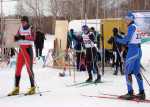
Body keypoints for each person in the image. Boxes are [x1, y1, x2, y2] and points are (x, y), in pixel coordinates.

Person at [115, 12, 146, 100]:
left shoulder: (131, 27)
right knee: (136, 72)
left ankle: (130, 93)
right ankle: (142, 92)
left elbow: (126, 41)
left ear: (131, 19)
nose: (126, 21)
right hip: (138, 50)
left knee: (127, 72)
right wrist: (121, 37)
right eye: (125, 19)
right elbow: (131, 39)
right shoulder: (136, 26)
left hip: (133, 51)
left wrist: (117, 38)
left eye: (127, 19)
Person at [8, 16, 35, 96]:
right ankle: (16, 88)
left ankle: (33, 88)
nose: (22, 23)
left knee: (29, 69)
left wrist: (24, 37)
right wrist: (16, 38)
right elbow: (16, 36)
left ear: (27, 22)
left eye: (24, 22)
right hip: (21, 51)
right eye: (21, 22)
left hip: (28, 50)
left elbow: (33, 38)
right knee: (18, 69)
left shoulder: (31, 28)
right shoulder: (20, 28)